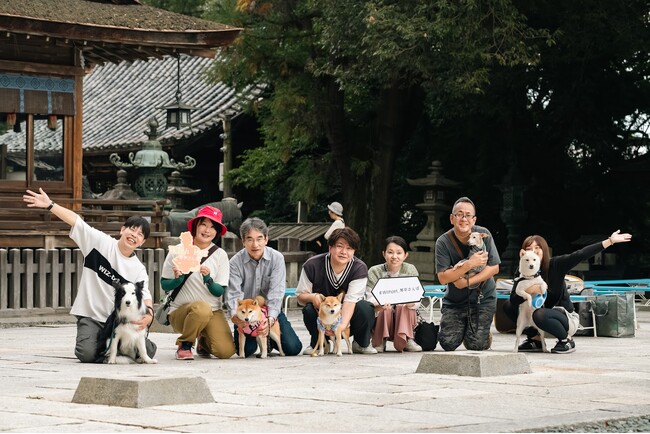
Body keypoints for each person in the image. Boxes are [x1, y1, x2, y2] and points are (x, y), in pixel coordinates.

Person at [23, 188, 156, 363]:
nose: (134, 236)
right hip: (91, 316)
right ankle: (113, 349)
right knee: (86, 353)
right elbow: (76, 221)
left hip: (119, 320)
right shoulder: (99, 242)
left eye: (140, 235)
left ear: (142, 242)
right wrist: (50, 205)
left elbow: (145, 296)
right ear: (122, 230)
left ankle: (118, 347)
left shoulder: (138, 269)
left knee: (148, 351)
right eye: (132, 230)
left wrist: (150, 315)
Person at [502, 230, 632, 354]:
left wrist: (610, 241)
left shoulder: (556, 264)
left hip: (563, 318)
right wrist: (530, 290)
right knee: (508, 305)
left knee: (539, 314)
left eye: (537, 248)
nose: (533, 252)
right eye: (529, 249)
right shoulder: (522, 272)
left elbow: (580, 254)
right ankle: (535, 339)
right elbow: (514, 299)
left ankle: (566, 340)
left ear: (544, 250)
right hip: (539, 321)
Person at [161, 206, 236, 360]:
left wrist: (208, 280)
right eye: (203, 224)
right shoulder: (178, 250)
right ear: (195, 226)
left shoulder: (220, 255)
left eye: (212, 227)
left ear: (216, 232)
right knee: (201, 308)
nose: (207, 230)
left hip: (212, 311)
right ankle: (185, 344)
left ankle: (202, 341)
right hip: (180, 311)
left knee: (225, 352)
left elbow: (219, 291)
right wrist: (178, 279)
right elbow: (164, 284)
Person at [227, 217, 303, 357]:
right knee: (246, 351)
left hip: (269, 310)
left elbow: (276, 292)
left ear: (266, 239)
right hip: (246, 314)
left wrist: (270, 319)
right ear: (243, 241)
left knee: (293, 348)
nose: (255, 244)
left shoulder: (276, 258)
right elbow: (234, 293)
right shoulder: (235, 262)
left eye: (259, 238)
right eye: (249, 239)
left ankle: (270, 339)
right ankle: (262, 339)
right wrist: (235, 317)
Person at [296, 227, 377, 354]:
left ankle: (361, 343)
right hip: (323, 317)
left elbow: (350, 301)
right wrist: (313, 297)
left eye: (349, 248)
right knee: (309, 309)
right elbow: (301, 296)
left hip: (348, 319)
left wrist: (340, 326)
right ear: (330, 247)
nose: (344, 252)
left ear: (354, 251)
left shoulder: (359, 268)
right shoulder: (312, 265)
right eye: (339, 246)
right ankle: (319, 342)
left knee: (365, 307)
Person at [434, 196, 500, 351]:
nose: (464, 219)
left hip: (482, 298)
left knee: (476, 345)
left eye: (468, 215)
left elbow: (494, 268)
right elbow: (443, 278)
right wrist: (469, 265)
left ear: (474, 219)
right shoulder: (443, 242)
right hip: (456, 301)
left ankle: (481, 335)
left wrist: (466, 282)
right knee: (447, 344)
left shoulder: (484, 234)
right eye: (459, 214)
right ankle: (465, 328)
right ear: (452, 218)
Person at [366, 236, 422, 352]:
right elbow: (369, 298)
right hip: (382, 311)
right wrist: (382, 302)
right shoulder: (374, 271)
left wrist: (410, 302)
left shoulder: (410, 270)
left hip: (404, 312)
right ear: (384, 254)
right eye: (390, 252)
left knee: (404, 306)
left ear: (405, 255)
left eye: (399, 253)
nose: (394, 256)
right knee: (384, 308)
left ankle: (407, 338)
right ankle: (379, 340)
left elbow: (417, 299)